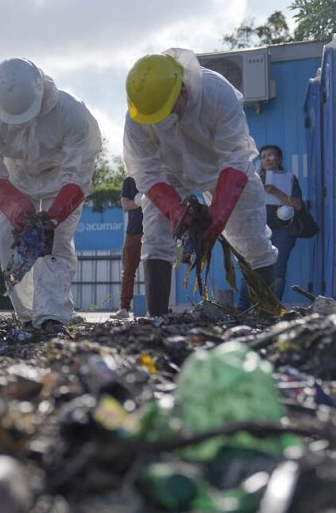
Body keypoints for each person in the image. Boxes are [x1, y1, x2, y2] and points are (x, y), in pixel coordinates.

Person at [123, 49, 277, 316]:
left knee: (253, 238)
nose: (162, 120)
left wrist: (216, 216)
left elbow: (235, 156)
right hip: (169, 173)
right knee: (156, 231)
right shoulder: (139, 115)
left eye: (167, 111)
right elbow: (145, 170)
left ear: (182, 90)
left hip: (223, 169)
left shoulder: (216, 92)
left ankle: (265, 313)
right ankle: (156, 316)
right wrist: (173, 209)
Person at [0, 58, 102, 330]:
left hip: (62, 177)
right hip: (16, 178)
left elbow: (79, 173)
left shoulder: (71, 113)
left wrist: (54, 218)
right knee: (7, 239)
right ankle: (28, 314)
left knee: (55, 244)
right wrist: (13, 205)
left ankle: (53, 315)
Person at [237, 144, 303, 305]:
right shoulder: (253, 178)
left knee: (278, 269)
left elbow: (298, 205)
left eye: (271, 155)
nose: (267, 159)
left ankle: (272, 309)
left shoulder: (289, 178)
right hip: (257, 228)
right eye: (263, 156)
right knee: (250, 267)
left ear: (279, 159)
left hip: (283, 229)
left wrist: (276, 192)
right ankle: (244, 308)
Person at [112, 176, 143, 319]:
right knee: (128, 270)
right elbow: (125, 204)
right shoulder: (130, 180)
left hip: (156, 230)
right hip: (135, 231)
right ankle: (124, 308)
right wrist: (142, 201)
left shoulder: (161, 173)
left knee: (158, 267)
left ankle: (158, 307)